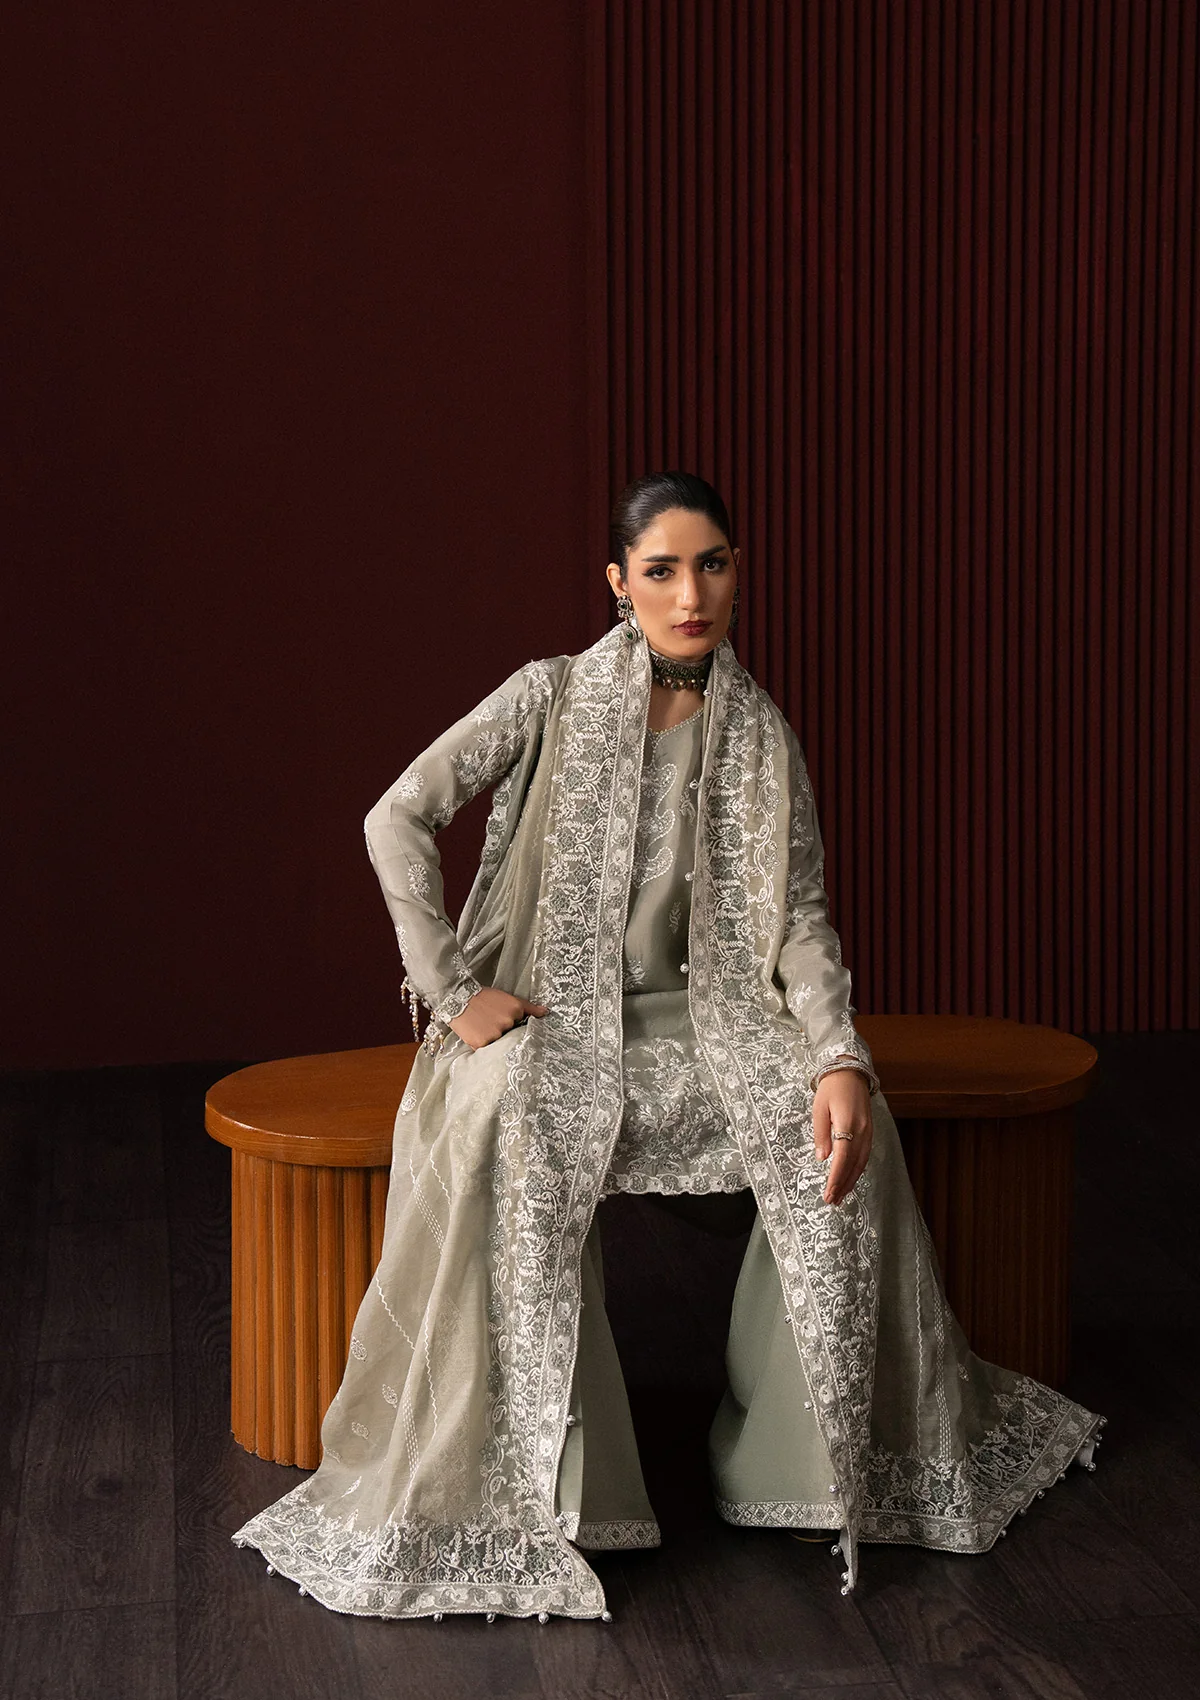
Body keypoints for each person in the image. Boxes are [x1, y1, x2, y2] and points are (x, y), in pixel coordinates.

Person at [232, 471, 1105, 1622]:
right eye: (662, 570)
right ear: (618, 582)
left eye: (713, 565)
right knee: (516, 1123)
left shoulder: (761, 734)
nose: (691, 595)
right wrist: (453, 990)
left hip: (714, 1021)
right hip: (555, 1016)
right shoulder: (548, 695)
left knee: (835, 1120)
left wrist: (837, 1053)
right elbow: (395, 815)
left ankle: (798, 1467)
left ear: (738, 572)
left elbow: (799, 922)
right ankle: (571, 1492)